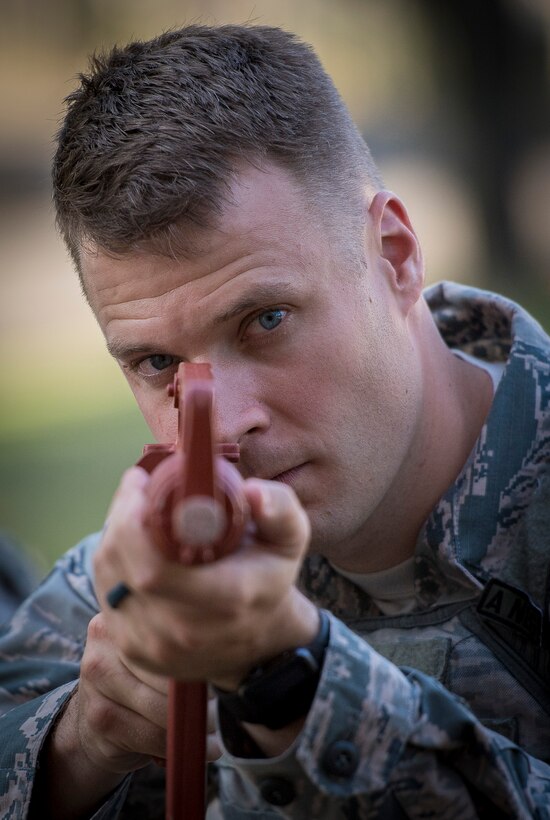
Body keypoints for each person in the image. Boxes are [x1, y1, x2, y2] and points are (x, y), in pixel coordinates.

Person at [1, 23, 549, 819]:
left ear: (393, 254)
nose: (222, 428)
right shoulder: (151, 574)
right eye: (157, 364)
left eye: (266, 321)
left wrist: (298, 686)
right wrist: (80, 742)